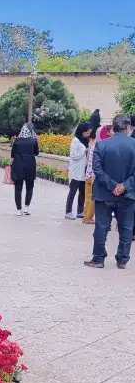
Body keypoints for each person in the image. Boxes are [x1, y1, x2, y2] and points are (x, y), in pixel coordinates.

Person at [84, 115, 135, 269]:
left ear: (113, 128)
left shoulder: (101, 145)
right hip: (128, 194)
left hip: (104, 193)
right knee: (126, 228)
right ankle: (122, 260)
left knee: (101, 226)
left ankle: (98, 259)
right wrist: (124, 186)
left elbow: (97, 170)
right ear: (128, 128)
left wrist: (113, 185)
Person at [65, 123, 92, 220]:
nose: (88, 134)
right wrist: (84, 151)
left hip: (84, 171)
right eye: (87, 132)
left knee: (82, 192)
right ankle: (68, 212)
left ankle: (80, 211)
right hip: (76, 171)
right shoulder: (75, 141)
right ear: (82, 131)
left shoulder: (86, 141)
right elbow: (73, 155)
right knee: (72, 192)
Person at [11, 123, 39, 215]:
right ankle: (26, 208)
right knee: (29, 187)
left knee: (18, 188)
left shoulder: (17, 141)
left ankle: (18, 210)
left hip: (18, 165)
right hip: (30, 166)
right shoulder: (33, 140)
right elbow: (37, 152)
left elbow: (12, 154)